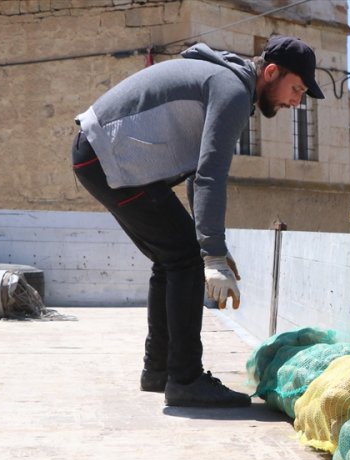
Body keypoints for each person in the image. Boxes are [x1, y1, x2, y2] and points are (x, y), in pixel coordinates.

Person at [71, 36, 324, 409]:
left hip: (100, 155)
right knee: (184, 259)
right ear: (271, 72)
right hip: (109, 156)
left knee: (172, 257)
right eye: (296, 88)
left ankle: (159, 371)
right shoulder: (233, 91)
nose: (296, 101)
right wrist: (210, 257)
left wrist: (214, 250)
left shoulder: (224, 81)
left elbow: (195, 175)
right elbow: (209, 176)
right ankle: (185, 378)